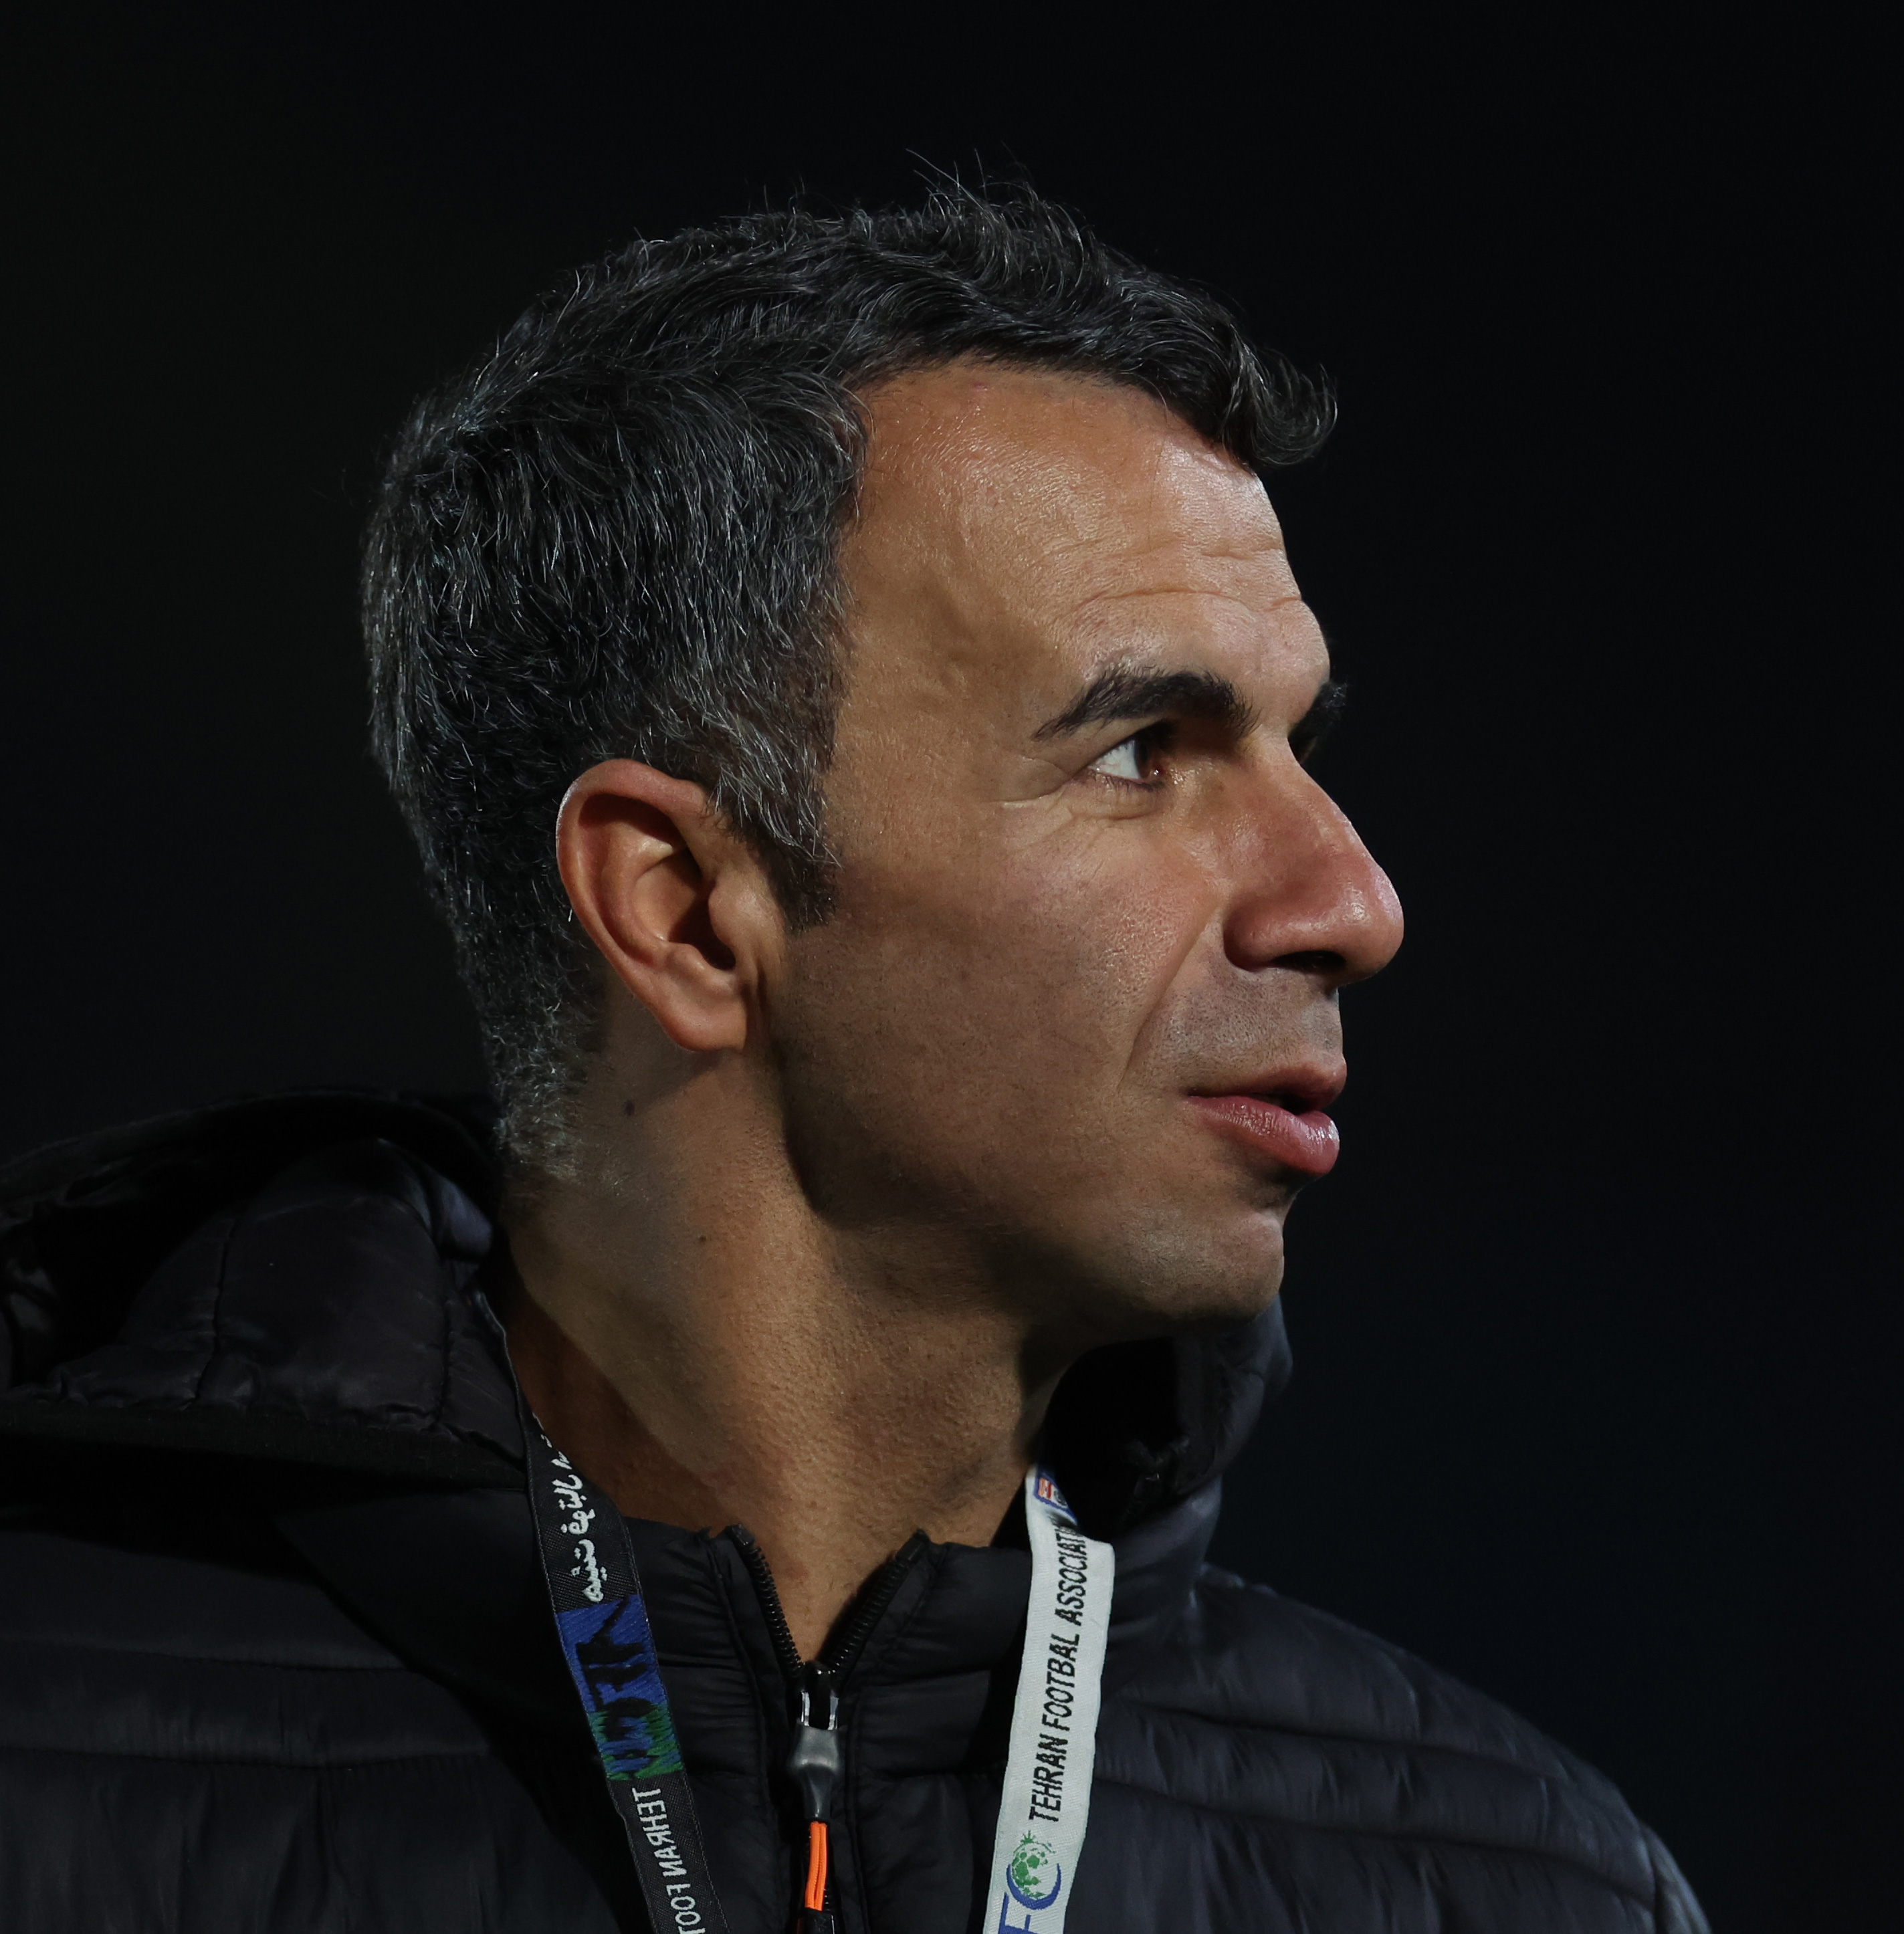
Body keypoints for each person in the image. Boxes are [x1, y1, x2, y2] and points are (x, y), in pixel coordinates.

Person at [0, 187, 1707, 1932]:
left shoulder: (1527, 1885)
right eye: (1141, 751)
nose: (1352, 903)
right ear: (684, 911)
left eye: (1295, 746)